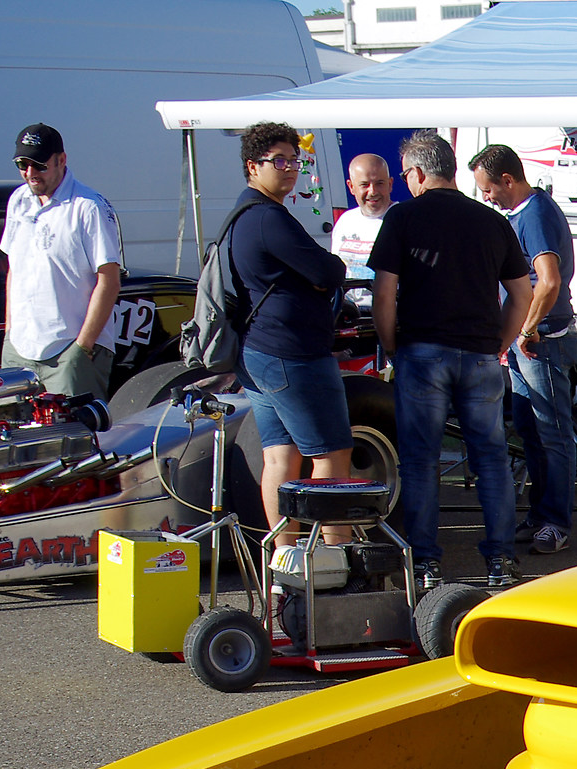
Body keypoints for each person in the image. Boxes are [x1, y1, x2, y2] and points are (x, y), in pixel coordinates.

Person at [370, 130, 532, 589]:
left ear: (418, 172)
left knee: (421, 462)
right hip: (480, 354)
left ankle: (426, 564)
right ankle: (501, 562)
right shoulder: (492, 220)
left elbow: (384, 293)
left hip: (421, 353)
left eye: (405, 175)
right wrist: (499, 342)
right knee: (492, 459)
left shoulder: (403, 217)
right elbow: (522, 293)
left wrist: (391, 345)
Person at [225, 121, 354, 545]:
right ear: (252, 166)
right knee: (331, 455)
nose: (290, 168)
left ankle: (285, 556)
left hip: (259, 351)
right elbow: (329, 269)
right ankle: (334, 556)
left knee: (281, 457)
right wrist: (321, 277)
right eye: (279, 160)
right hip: (291, 354)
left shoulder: (244, 215)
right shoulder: (266, 218)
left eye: (295, 160)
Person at [468, 144, 577, 555]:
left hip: (541, 342)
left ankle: (556, 522)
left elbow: (548, 281)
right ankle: (540, 515)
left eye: (488, 189)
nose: (487, 197)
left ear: (508, 180)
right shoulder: (526, 213)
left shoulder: (534, 214)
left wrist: (527, 328)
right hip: (524, 341)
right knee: (531, 431)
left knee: (552, 433)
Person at [0, 123, 122, 400]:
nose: (30, 173)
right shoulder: (18, 201)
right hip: (20, 349)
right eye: (22, 164)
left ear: (61, 160)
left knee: (73, 438)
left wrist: (83, 347)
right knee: (16, 437)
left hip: (68, 350)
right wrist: (9, 333)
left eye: (39, 165)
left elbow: (109, 281)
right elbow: (13, 271)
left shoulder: (89, 206)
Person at [328, 152, 393, 271]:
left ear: (390, 184)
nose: (372, 191)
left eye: (379, 183)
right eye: (364, 185)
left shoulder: (404, 220)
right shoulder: (345, 221)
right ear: (351, 187)